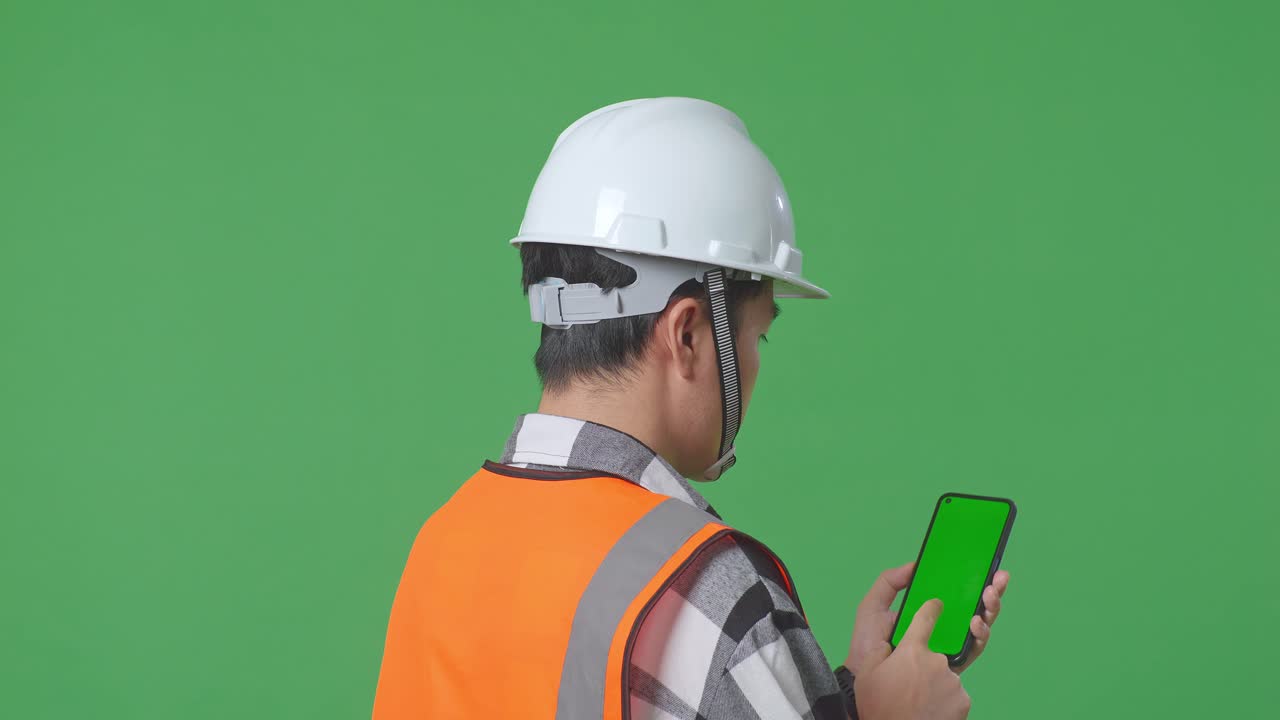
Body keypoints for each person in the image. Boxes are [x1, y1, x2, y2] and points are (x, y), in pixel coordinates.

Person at [372, 97, 1011, 720]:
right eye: (758, 337)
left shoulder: (442, 541)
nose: (758, 364)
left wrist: (850, 697)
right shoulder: (707, 590)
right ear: (686, 335)